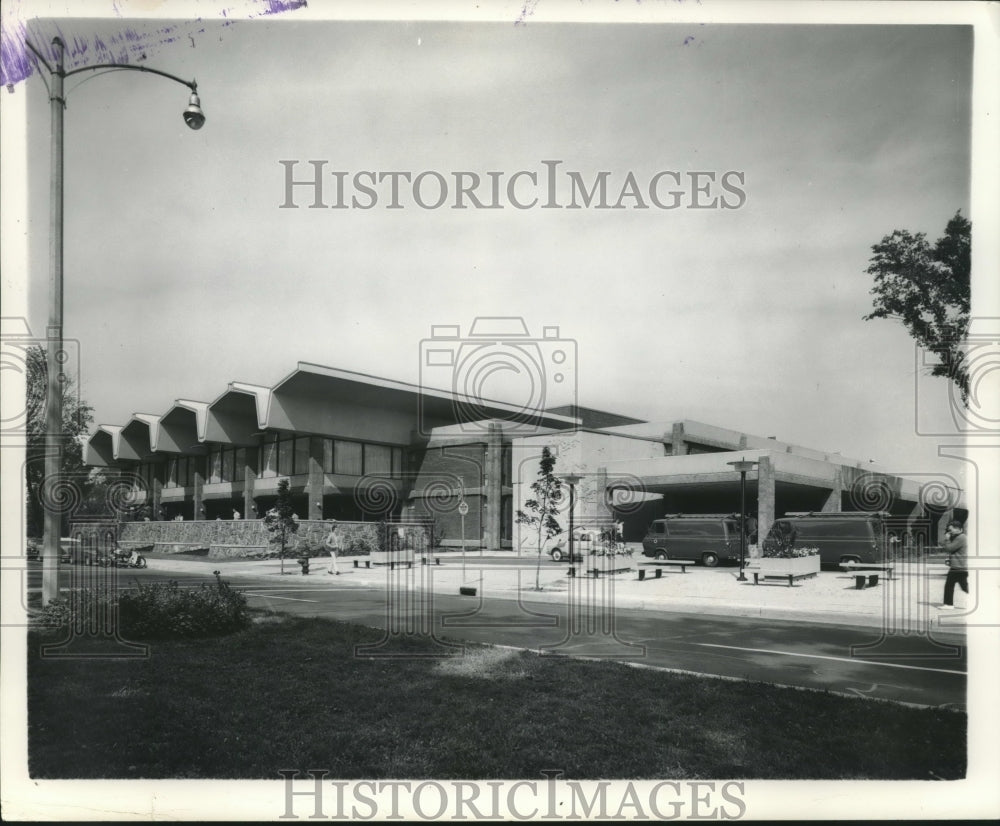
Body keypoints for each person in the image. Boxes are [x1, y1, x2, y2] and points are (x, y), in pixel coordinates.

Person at [939, 519, 968, 609]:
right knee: (964, 586)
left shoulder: (961, 537)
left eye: (950, 530)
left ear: (958, 529)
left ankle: (948, 604)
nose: (949, 532)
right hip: (959, 566)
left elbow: (949, 548)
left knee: (949, 585)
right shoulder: (959, 537)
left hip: (958, 567)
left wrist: (947, 540)